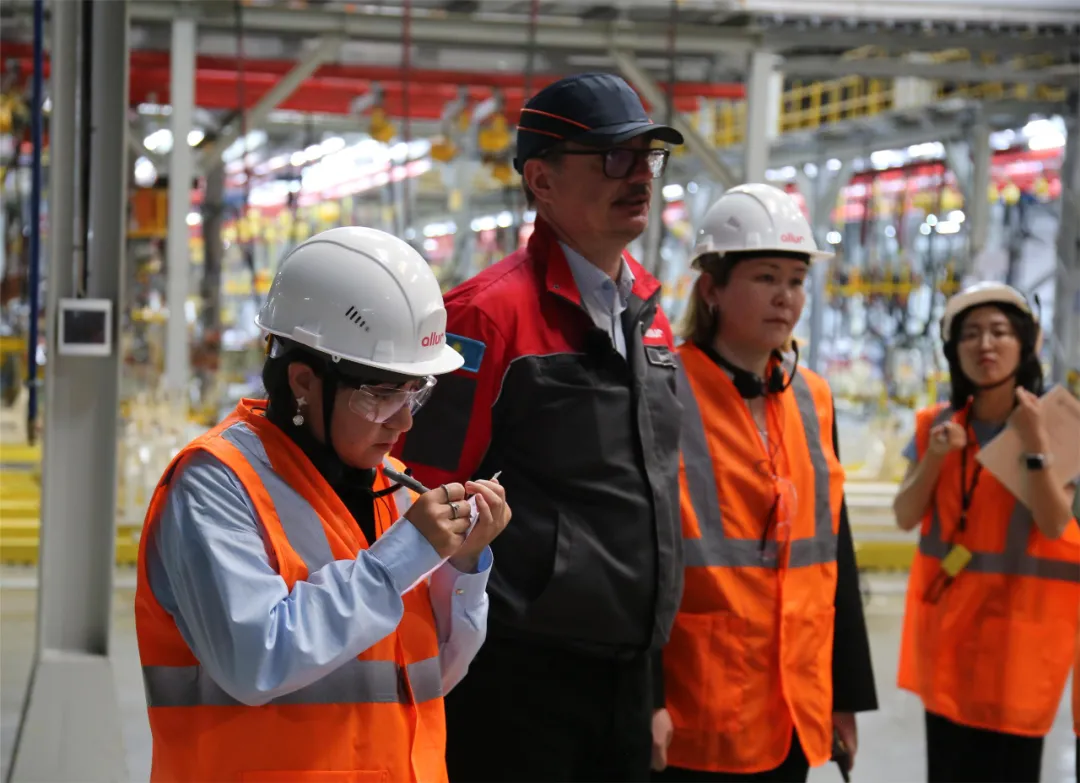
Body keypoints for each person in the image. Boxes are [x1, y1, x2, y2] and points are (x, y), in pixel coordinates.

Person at [134, 227, 512, 782]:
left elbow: (430, 677)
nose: (404, 422)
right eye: (381, 395)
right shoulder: (216, 484)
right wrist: (401, 558)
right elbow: (254, 662)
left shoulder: (393, 489)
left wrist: (460, 566)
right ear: (304, 381)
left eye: (415, 393)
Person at [392, 72, 686, 782]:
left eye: (647, 158)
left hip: (624, 671)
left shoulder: (649, 316)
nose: (639, 176)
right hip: (518, 677)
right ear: (542, 180)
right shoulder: (483, 318)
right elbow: (420, 491)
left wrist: (655, 683)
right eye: (613, 158)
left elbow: (650, 496)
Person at [650, 183, 877, 783]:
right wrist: (644, 695)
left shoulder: (814, 397)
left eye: (797, 281)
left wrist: (844, 693)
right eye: (766, 277)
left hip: (793, 702)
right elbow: (635, 554)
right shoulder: (661, 390)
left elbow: (836, 551)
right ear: (712, 287)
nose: (786, 297)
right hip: (698, 704)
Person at [892, 281, 1080, 783]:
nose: (985, 345)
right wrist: (935, 457)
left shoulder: (1056, 424)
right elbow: (906, 515)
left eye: (999, 332)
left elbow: (1055, 521)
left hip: (1018, 652)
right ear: (955, 352)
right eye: (970, 334)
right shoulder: (937, 425)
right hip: (951, 646)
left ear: (1025, 343)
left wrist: (1036, 445)